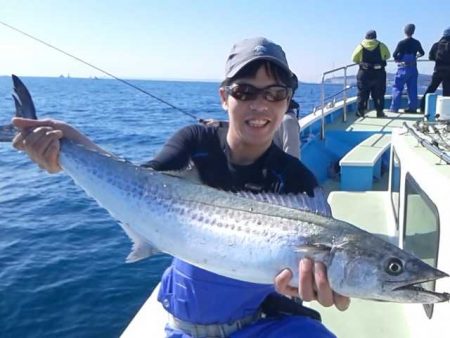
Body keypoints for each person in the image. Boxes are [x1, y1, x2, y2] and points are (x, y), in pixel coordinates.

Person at [12, 37, 350, 338]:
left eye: (275, 94)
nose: (260, 104)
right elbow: (138, 187)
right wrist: (69, 146)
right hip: (184, 328)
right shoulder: (196, 141)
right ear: (224, 97)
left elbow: (297, 273)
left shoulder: (298, 181)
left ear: (287, 102)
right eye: (245, 91)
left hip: (258, 323)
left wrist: (304, 289)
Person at [352, 30, 391, 118]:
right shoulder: (381, 45)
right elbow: (388, 56)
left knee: (362, 93)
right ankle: (379, 112)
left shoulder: (361, 46)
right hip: (379, 74)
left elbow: (353, 58)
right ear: (375, 37)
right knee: (379, 94)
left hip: (364, 73)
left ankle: (361, 111)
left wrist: (360, 61)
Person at [390, 24, 425, 113]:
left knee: (397, 88)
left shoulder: (401, 43)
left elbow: (394, 55)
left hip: (403, 68)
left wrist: (398, 59)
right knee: (412, 89)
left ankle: (394, 108)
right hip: (413, 68)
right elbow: (422, 53)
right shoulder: (416, 42)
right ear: (413, 31)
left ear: (404, 31)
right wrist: (416, 56)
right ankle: (412, 108)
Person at [420, 27, 450, 112]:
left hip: (438, 70)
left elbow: (431, 57)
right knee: (447, 92)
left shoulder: (436, 45)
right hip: (449, 72)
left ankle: (423, 107)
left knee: (431, 88)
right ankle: (445, 110)